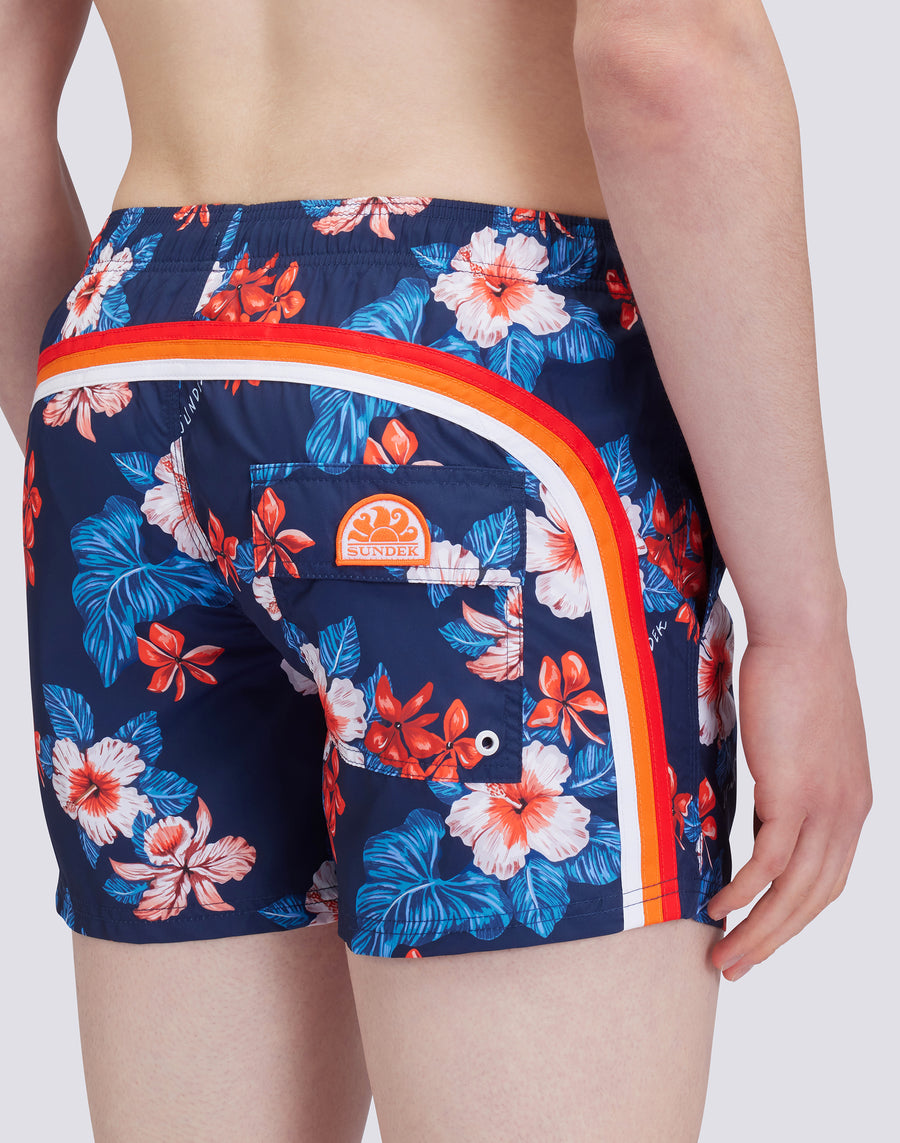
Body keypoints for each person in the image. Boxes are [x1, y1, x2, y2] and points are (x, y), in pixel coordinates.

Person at [2, 1, 873, 1141]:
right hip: (463, 368)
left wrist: (112, 446)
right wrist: (801, 623)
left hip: (124, 357)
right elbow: (664, 52)